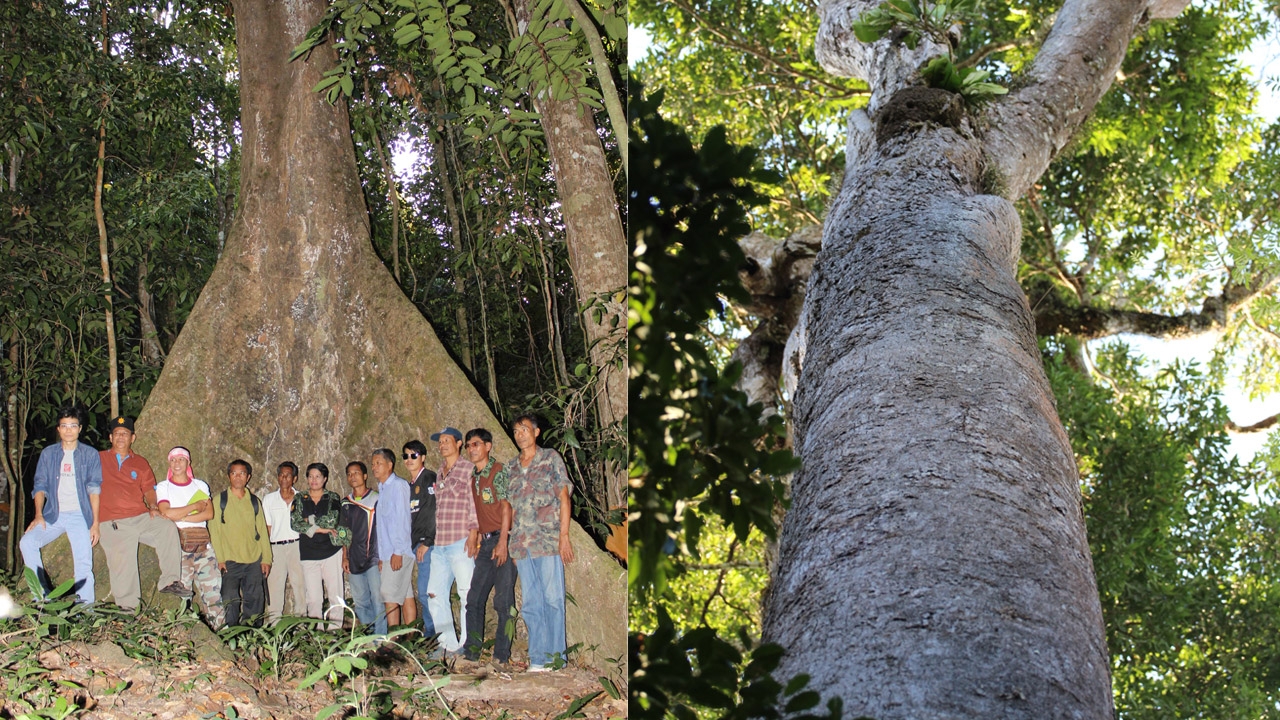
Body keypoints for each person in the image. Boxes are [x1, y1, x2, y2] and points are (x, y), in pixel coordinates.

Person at [97, 416, 191, 609]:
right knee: (123, 560)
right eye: (117, 434)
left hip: (139, 516)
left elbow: (149, 489)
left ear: (133, 438)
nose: (121, 437)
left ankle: (170, 581)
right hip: (113, 519)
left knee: (166, 527)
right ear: (110, 437)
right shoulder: (98, 459)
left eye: (125, 434)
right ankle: (128, 609)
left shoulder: (140, 462)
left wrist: (153, 506)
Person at [506, 414, 575, 672]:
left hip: (547, 541)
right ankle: (537, 658)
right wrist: (512, 541)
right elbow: (511, 507)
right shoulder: (512, 466)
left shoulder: (550, 458)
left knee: (553, 599)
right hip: (522, 545)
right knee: (532, 602)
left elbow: (563, 496)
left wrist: (564, 536)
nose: (519, 434)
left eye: (524, 429)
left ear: (536, 432)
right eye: (515, 430)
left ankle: (556, 659)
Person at [20, 405, 102, 604]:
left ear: (80, 428)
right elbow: (40, 485)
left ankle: (85, 611)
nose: (68, 430)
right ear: (58, 429)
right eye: (64, 425)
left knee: (83, 564)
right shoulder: (49, 454)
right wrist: (38, 514)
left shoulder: (90, 454)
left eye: (73, 425)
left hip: (79, 516)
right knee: (27, 542)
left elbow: (94, 489)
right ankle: (41, 598)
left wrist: (95, 523)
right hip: (53, 514)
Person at [461, 428, 515, 665]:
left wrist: (503, 541)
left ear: (488, 446)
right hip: (485, 543)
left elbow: (506, 507)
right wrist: (477, 535)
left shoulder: (498, 471)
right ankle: (472, 652)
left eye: (476, 444)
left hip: (504, 540)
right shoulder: (474, 477)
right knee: (474, 599)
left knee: (504, 603)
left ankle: (502, 656)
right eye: (469, 446)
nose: (472, 449)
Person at [156, 446, 225, 629]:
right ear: (169, 463)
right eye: (173, 460)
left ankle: (221, 633)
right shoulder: (164, 487)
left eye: (181, 459)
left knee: (213, 594)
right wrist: (194, 506)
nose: (177, 463)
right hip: (179, 548)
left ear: (188, 462)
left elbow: (209, 513)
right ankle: (181, 634)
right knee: (181, 594)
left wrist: (182, 517)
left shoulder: (200, 485)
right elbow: (165, 512)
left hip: (204, 548)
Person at [426, 427, 479, 655]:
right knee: (434, 593)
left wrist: (474, 533)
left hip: (461, 540)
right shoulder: (439, 472)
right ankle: (446, 645)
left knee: (467, 593)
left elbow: (474, 501)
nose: (442, 444)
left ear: (459, 443)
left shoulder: (468, 468)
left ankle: (467, 645)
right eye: (440, 441)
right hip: (440, 543)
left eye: (447, 440)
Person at [210, 459, 272, 626]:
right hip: (229, 560)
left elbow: (262, 532)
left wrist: (266, 559)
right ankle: (232, 634)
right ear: (229, 476)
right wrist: (220, 559)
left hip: (253, 560)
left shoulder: (254, 502)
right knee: (230, 599)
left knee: (255, 600)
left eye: (242, 473)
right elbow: (214, 532)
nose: (238, 477)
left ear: (248, 477)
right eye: (234, 473)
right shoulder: (219, 501)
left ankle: (252, 635)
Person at [291, 463, 347, 630]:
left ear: (325, 479)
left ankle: (335, 630)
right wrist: (321, 529)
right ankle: (317, 631)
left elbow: (332, 520)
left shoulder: (332, 497)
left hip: (331, 551)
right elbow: (295, 523)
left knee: (335, 594)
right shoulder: (300, 498)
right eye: (310, 476)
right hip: (309, 553)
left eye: (317, 476)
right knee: (314, 598)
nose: (314, 480)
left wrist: (309, 521)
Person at [340, 461, 385, 635]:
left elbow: (384, 528)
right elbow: (344, 532)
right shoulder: (345, 503)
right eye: (350, 474)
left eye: (357, 473)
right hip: (354, 558)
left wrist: (383, 556)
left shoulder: (376, 498)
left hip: (374, 557)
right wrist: (345, 556)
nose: (353, 477)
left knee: (378, 599)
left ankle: (381, 638)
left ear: (365, 476)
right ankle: (367, 638)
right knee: (360, 601)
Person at [371, 448, 413, 628]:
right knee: (405, 593)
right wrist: (383, 556)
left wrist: (397, 552)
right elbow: (384, 528)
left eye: (378, 463)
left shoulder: (398, 486)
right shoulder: (382, 489)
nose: (374, 467)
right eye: (373, 464)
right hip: (389, 553)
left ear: (390, 465)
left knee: (389, 595)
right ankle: (411, 638)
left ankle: (393, 640)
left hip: (399, 551)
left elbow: (403, 520)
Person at [263, 461, 306, 624]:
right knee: (274, 588)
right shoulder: (269, 499)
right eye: (281, 475)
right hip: (276, 548)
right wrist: (265, 553)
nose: (284, 478)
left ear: (294, 478)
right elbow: (267, 527)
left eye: (288, 475)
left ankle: (302, 625)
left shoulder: (302, 498)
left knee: (300, 586)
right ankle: (275, 627)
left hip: (297, 545)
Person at [404, 440, 436, 637]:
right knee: (424, 591)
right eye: (406, 456)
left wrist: (427, 541)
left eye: (413, 455)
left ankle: (433, 635)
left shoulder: (428, 478)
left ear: (423, 457)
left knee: (426, 592)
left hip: (427, 543)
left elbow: (433, 509)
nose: (409, 459)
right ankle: (430, 633)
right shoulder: (409, 485)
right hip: (415, 544)